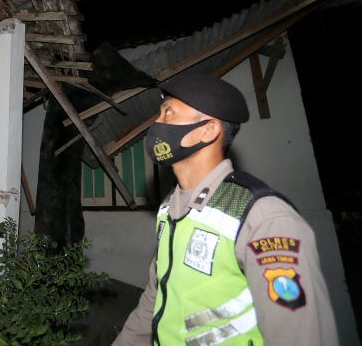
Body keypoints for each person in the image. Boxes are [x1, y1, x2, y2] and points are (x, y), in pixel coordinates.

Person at [112, 74, 337, 346]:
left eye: (168, 112)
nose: (157, 123)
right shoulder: (169, 208)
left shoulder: (261, 216)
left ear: (208, 130)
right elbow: (156, 297)